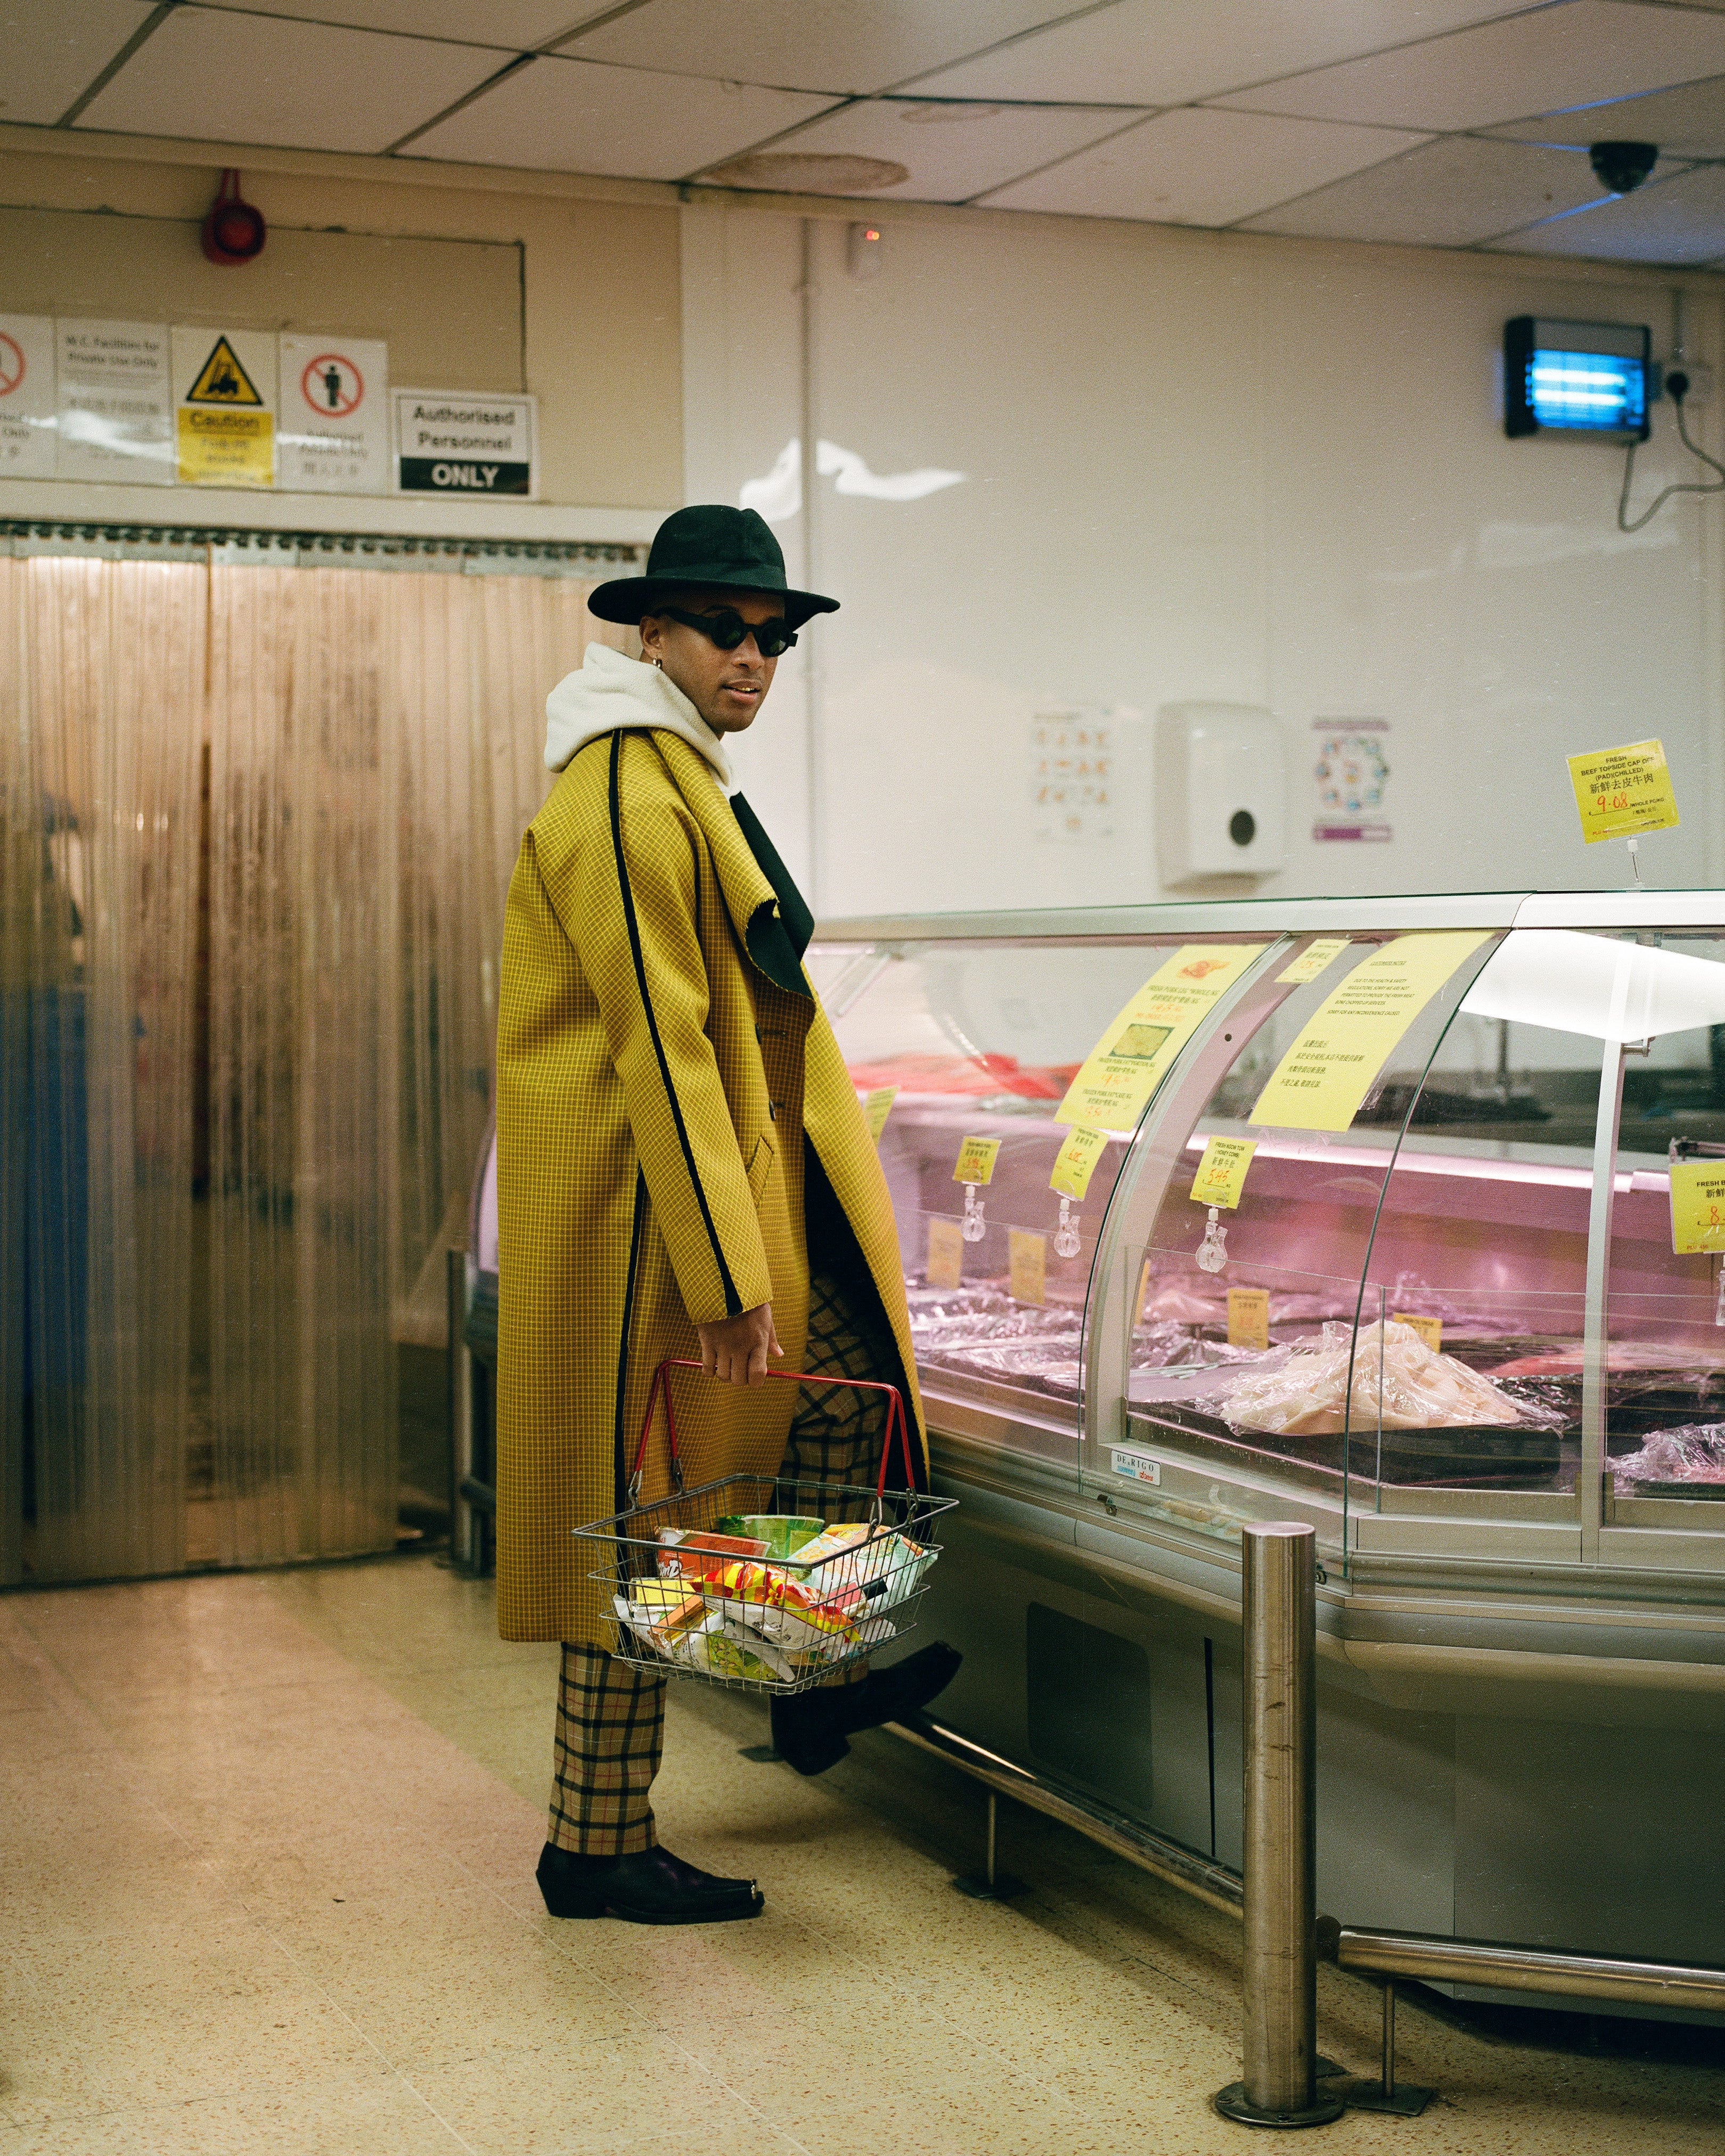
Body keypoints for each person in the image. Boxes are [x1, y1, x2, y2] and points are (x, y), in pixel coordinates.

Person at [495, 505, 959, 1927]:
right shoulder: (633, 788)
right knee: (647, 1523)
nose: (756, 658)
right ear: (654, 635)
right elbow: (661, 1035)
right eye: (727, 631)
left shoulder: (667, 772)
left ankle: (804, 1673)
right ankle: (596, 1842)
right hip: (655, 1219)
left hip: (700, 1193)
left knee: (837, 1401)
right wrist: (722, 1271)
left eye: (778, 638)